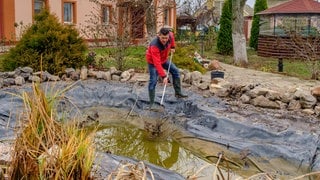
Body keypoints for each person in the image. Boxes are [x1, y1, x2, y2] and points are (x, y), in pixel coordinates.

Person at [146, 27, 188, 109]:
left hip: (164, 59)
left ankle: (178, 93)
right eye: (162, 38)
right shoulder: (154, 45)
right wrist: (164, 76)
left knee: (175, 71)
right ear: (159, 36)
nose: (164, 40)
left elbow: (172, 39)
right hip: (153, 63)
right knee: (153, 81)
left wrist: (173, 47)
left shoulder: (170, 35)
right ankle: (151, 103)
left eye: (166, 38)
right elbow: (157, 63)